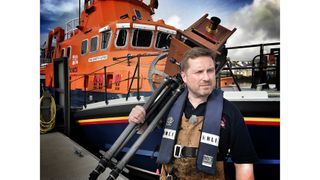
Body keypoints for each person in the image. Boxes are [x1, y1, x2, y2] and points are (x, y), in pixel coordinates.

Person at [129, 47, 257, 180]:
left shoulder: (230, 112)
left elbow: (244, 165)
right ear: (184, 76)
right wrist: (136, 116)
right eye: (199, 72)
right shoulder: (169, 104)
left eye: (210, 71)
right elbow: (142, 128)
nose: (206, 77)